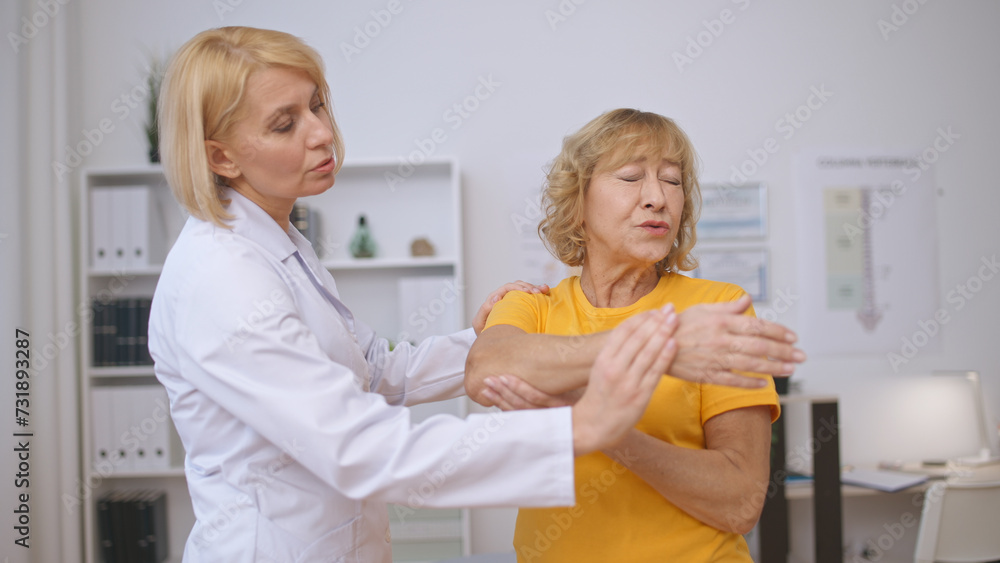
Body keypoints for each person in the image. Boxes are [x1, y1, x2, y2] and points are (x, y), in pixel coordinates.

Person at [148, 27, 693, 562]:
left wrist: (483, 343)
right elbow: (360, 448)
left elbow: (378, 371)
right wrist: (578, 429)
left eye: (318, 105)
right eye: (285, 124)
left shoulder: (283, 245)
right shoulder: (221, 278)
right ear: (221, 158)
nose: (321, 133)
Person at [465, 109, 802, 562]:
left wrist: (602, 424)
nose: (657, 198)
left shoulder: (718, 308)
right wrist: (658, 347)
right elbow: (485, 370)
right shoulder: (532, 304)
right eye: (629, 177)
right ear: (577, 201)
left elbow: (741, 503)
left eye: (672, 180)